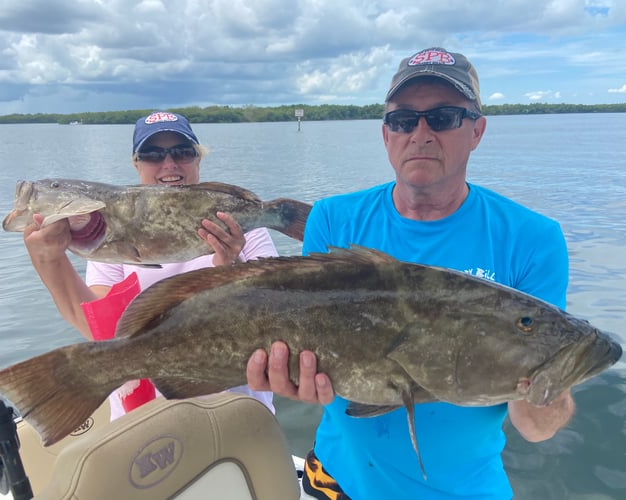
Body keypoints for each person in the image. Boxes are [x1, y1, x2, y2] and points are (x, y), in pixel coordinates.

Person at [246, 47, 575, 499]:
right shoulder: (332, 219)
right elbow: (305, 333)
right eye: (404, 120)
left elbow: (537, 428)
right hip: (336, 481)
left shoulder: (532, 239)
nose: (420, 133)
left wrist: (548, 384)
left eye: (443, 117)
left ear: (476, 130)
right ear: (386, 136)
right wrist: (290, 377)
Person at [23, 111, 277, 419]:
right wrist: (50, 259)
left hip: (236, 411)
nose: (169, 165)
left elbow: (273, 318)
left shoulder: (241, 225)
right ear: (136, 163)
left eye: (182, 153)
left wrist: (229, 265)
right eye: (153, 155)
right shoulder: (113, 230)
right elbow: (102, 331)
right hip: (144, 421)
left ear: (198, 159)